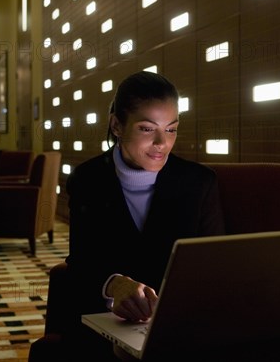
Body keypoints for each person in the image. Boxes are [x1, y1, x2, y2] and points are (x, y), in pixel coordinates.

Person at [62, 71, 225, 361]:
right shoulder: (87, 179)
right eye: (148, 129)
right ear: (117, 126)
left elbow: (214, 264)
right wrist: (113, 284)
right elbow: (81, 262)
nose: (162, 142)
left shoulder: (200, 182)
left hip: (180, 325)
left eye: (171, 129)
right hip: (107, 321)